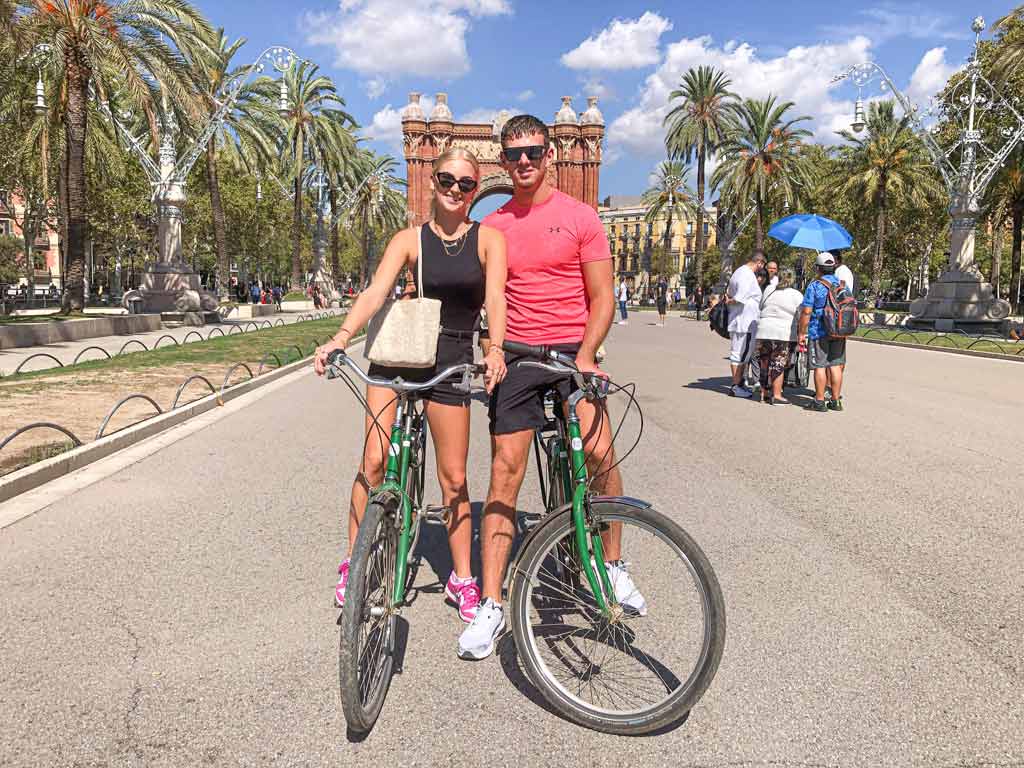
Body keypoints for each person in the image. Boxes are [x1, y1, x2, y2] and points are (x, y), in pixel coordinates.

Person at [458, 113, 644, 660]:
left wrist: (587, 354)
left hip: (571, 354)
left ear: (551, 154)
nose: (523, 163)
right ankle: (492, 602)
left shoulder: (582, 217)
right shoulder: (493, 227)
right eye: (513, 154)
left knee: (601, 453)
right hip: (517, 357)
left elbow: (602, 295)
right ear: (501, 159)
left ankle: (611, 567)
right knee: (504, 474)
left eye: (533, 152)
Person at [314, 147, 508, 624]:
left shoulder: (490, 240)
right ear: (432, 183)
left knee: (454, 478)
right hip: (398, 354)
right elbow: (377, 291)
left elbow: (498, 298)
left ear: (475, 190)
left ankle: (462, 576)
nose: (456, 191)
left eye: (467, 184)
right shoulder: (408, 240)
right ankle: (353, 562)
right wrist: (340, 338)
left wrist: (496, 349)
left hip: (451, 360)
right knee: (374, 460)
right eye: (447, 180)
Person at [797, 252, 847, 412]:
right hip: (838, 330)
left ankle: (819, 401)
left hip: (818, 331)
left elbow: (806, 311)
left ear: (818, 268)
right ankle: (835, 401)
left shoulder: (814, 286)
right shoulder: (842, 284)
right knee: (836, 365)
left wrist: (801, 332)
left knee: (819, 366)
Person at [755, 267, 804, 405]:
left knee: (764, 362)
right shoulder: (796, 295)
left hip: (763, 330)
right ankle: (776, 395)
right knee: (778, 362)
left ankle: (764, 394)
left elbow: (761, 307)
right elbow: (802, 314)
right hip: (782, 333)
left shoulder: (769, 290)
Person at [725, 250, 766, 398]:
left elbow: (730, 292)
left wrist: (731, 300)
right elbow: (739, 297)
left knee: (739, 353)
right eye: (762, 265)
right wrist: (731, 301)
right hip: (745, 322)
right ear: (759, 262)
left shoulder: (738, 272)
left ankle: (739, 384)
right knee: (741, 355)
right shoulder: (747, 275)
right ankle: (736, 386)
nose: (762, 268)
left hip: (739, 319)